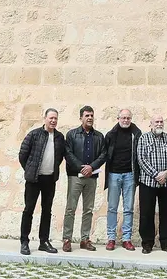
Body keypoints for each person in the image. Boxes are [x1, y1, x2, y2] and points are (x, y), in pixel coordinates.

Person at [18, 107, 66, 255]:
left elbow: (60, 156)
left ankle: (43, 241)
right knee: (29, 209)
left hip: (49, 179)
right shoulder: (34, 134)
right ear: (45, 118)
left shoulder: (59, 137)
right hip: (34, 179)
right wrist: (30, 170)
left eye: (55, 118)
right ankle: (24, 241)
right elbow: (22, 155)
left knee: (47, 211)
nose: (53, 120)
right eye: (51, 118)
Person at [62, 105, 106, 252]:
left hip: (92, 177)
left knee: (88, 209)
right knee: (70, 208)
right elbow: (68, 154)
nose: (90, 118)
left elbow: (103, 154)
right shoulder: (72, 134)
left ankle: (85, 239)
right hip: (75, 176)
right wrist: (82, 167)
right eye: (87, 115)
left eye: (92, 115)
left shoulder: (99, 136)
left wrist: (91, 167)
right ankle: (67, 239)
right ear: (81, 117)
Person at [136, 114, 167, 254]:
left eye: (161, 122)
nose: (159, 124)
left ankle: (166, 243)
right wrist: (156, 174)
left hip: (166, 183)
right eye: (156, 122)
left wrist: (166, 172)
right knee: (146, 213)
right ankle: (147, 243)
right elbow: (141, 159)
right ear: (151, 124)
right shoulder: (143, 138)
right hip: (148, 182)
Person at [103, 108, 141, 251]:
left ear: (131, 119)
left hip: (130, 175)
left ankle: (126, 239)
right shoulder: (111, 135)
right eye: (123, 118)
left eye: (128, 118)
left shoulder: (136, 134)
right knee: (112, 207)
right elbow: (105, 154)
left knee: (128, 208)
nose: (125, 120)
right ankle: (111, 238)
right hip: (113, 174)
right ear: (118, 118)